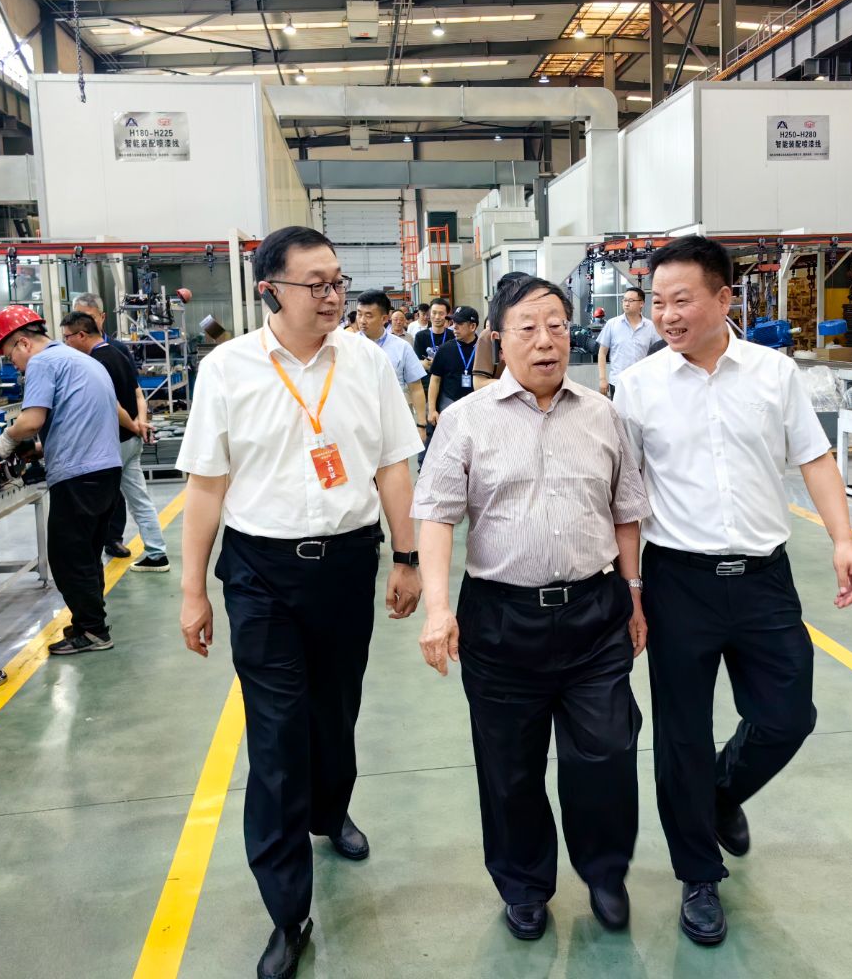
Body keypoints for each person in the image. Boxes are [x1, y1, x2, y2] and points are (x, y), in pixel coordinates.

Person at [174, 226, 423, 979]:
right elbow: (206, 486)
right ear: (270, 290)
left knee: (335, 712)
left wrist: (407, 556)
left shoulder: (367, 362)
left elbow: (393, 466)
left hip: (346, 565)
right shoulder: (228, 370)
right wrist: (193, 590)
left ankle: (330, 809)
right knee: (278, 738)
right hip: (261, 574)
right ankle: (288, 911)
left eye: (337, 281)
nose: (333, 296)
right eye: (315, 284)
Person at [612, 235, 852, 947]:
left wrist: (843, 539)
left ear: (725, 298)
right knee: (682, 737)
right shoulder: (638, 387)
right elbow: (625, 500)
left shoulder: (773, 373)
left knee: (787, 716)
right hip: (678, 580)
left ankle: (721, 793)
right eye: (657, 302)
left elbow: (814, 458)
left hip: (763, 579)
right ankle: (698, 875)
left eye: (682, 300)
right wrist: (631, 590)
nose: (667, 315)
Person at [414, 276, 650, 940]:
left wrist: (634, 594)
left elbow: (626, 513)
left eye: (557, 326)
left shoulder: (602, 415)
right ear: (499, 336)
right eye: (528, 327)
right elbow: (436, 517)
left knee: (606, 753)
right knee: (509, 766)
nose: (546, 340)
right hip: (500, 619)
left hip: (594, 612)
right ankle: (523, 883)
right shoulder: (465, 420)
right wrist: (438, 608)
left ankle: (605, 872)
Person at [0, 306, 123, 655]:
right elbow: (78, 420)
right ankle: (89, 624)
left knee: (67, 557)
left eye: (10, 357)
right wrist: (39, 449)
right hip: (106, 471)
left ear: (23, 343)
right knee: (87, 554)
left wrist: (6, 440)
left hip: (78, 475)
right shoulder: (81, 360)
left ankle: (93, 631)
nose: (15, 367)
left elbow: (31, 420)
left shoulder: (43, 363)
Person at [60, 311, 169, 573]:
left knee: (96, 504)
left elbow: (113, 403)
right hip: (131, 441)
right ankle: (157, 553)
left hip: (113, 443)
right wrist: (140, 423)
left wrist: (133, 425)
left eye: (67, 337)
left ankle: (89, 562)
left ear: (81, 335)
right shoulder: (119, 353)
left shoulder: (96, 362)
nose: (65, 343)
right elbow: (138, 393)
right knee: (139, 499)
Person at [72, 292, 154, 561]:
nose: (83, 324)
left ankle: (113, 538)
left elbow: (132, 392)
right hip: (112, 436)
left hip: (118, 437)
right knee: (125, 494)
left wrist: (138, 422)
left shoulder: (115, 350)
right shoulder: (76, 355)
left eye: (88, 317)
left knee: (113, 495)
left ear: (102, 317)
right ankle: (153, 549)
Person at [356, 289, 428, 446]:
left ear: (384, 318)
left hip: (395, 418)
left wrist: (421, 424)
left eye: (368, 315)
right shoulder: (348, 346)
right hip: (359, 420)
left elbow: (416, 387)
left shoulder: (402, 347)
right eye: (359, 314)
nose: (362, 320)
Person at [412, 298, 454, 465]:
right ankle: (423, 464)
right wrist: (427, 364)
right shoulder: (421, 336)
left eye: (441, 313)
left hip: (447, 387)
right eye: (434, 313)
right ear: (429, 314)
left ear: (447, 315)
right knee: (428, 425)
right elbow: (417, 362)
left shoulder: (451, 335)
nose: (437, 317)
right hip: (426, 386)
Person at [597, 286, 659, 397]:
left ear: (641, 303)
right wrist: (602, 379)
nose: (626, 304)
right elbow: (602, 353)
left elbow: (658, 355)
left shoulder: (650, 327)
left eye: (630, 300)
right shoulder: (612, 324)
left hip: (642, 383)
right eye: (624, 300)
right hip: (618, 383)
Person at [427, 306, 481, 426]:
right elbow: (435, 379)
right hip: (449, 406)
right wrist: (432, 410)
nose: (454, 327)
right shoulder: (445, 349)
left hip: (478, 408)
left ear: (472, 326)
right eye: (454, 322)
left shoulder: (484, 348)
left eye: (460, 323)